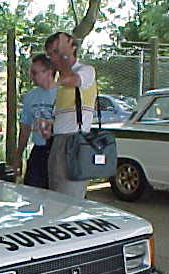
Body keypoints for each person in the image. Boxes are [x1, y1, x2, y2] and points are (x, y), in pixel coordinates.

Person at [44, 31, 97, 198]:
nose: (54, 57)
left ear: (72, 48)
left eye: (57, 51)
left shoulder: (86, 71)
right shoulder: (60, 80)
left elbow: (72, 79)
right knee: (56, 197)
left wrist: (65, 55)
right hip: (58, 142)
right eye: (51, 54)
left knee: (70, 201)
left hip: (75, 143)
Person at [14, 54, 57, 189]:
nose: (31, 76)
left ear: (48, 72)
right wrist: (18, 155)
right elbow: (25, 127)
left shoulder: (63, 94)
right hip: (38, 150)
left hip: (58, 151)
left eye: (35, 73)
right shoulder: (30, 97)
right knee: (31, 192)